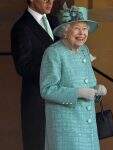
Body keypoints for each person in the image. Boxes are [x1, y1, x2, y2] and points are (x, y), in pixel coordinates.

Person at [40, 6, 107, 150]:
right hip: (66, 128)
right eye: (77, 28)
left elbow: (88, 87)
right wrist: (77, 93)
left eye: (85, 28)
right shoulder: (53, 53)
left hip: (87, 126)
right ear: (65, 31)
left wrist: (97, 91)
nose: (82, 33)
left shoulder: (84, 50)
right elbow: (47, 90)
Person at [11, 0, 58, 150]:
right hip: (37, 100)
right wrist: (54, 71)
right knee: (38, 143)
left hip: (61, 98)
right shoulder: (21, 27)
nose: (50, 1)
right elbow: (23, 67)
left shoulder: (54, 21)